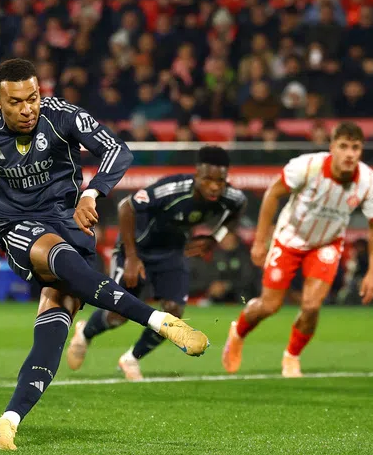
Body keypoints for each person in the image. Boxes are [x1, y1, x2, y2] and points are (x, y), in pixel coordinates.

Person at [0, 58, 208, 451]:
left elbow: (117, 150)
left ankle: (6, 424)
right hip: (18, 229)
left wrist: (92, 193)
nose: (27, 108)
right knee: (57, 254)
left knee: (52, 333)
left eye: (33, 98)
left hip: (71, 224)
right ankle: (157, 320)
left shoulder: (61, 114)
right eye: (16, 102)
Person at [65, 146, 246, 380]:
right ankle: (85, 334)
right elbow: (126, 206)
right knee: (118, 315)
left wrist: (215, 237)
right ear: (197, 175)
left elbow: (238, 208)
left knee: (174, 312)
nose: (214, 186)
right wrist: (131, 258)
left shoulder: (232, 197)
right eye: (208, 179)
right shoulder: (171, 189)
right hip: (137, 249)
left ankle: (131, 358)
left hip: (172, 253)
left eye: (220, 181)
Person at [221, 122, 373, 378]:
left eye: (355, 148)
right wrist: (260, 241)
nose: (350, 154)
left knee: (311, 306)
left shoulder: (368, 181)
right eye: (343, 146)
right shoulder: (306, 167)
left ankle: (292, 357)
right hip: (289, 239)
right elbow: (272, 194)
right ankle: (238, 332)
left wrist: (372, 271)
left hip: (326, 243)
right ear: (332, 148)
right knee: (269, 306)